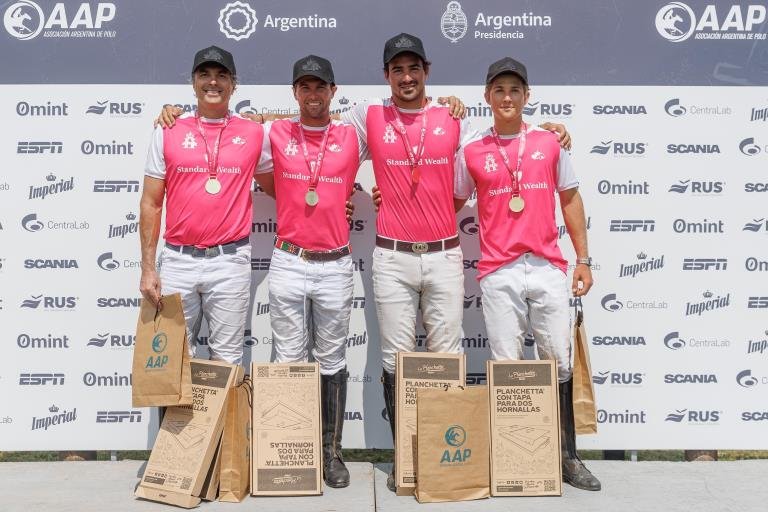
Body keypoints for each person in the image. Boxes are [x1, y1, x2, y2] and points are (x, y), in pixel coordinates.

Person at [454, 57, 600, 491]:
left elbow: (570, 200)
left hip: (547, 267)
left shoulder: (550, 142)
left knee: (558, 361)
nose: (507, 98)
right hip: (498, 270)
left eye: (515, 90)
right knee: (507, 365)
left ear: (527, 96)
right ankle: (516, 456)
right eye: (498, 90)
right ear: (487, 97)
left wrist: (583, 259)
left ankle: (567, 456)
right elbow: (454, 201)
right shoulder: (472, 149)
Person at [251, 55, 368, 488]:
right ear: (294, 92)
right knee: (287, 358)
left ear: (334, 91)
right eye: (304, 87)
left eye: (321, 87)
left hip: (336, 262)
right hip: (289, 259)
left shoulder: (352, 134)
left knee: (333, 359)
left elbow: (405, 129)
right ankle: (287, 450)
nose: (313, 94)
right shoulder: (276, 131)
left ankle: (329, 452)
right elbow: (239, 132)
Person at [140, 45, 267, 366]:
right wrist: (148, 268)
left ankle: (224, 420)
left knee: (227, 362)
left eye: (221, 75)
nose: (213, 82)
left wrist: (337, 203)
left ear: (234, 84)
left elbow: (283, 187)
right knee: (171, 361)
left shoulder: (254, 132)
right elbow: (151, 203)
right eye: (205, 75)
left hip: (229, 262)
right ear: (193, 82)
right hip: (178, 263)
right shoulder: (168, 129)